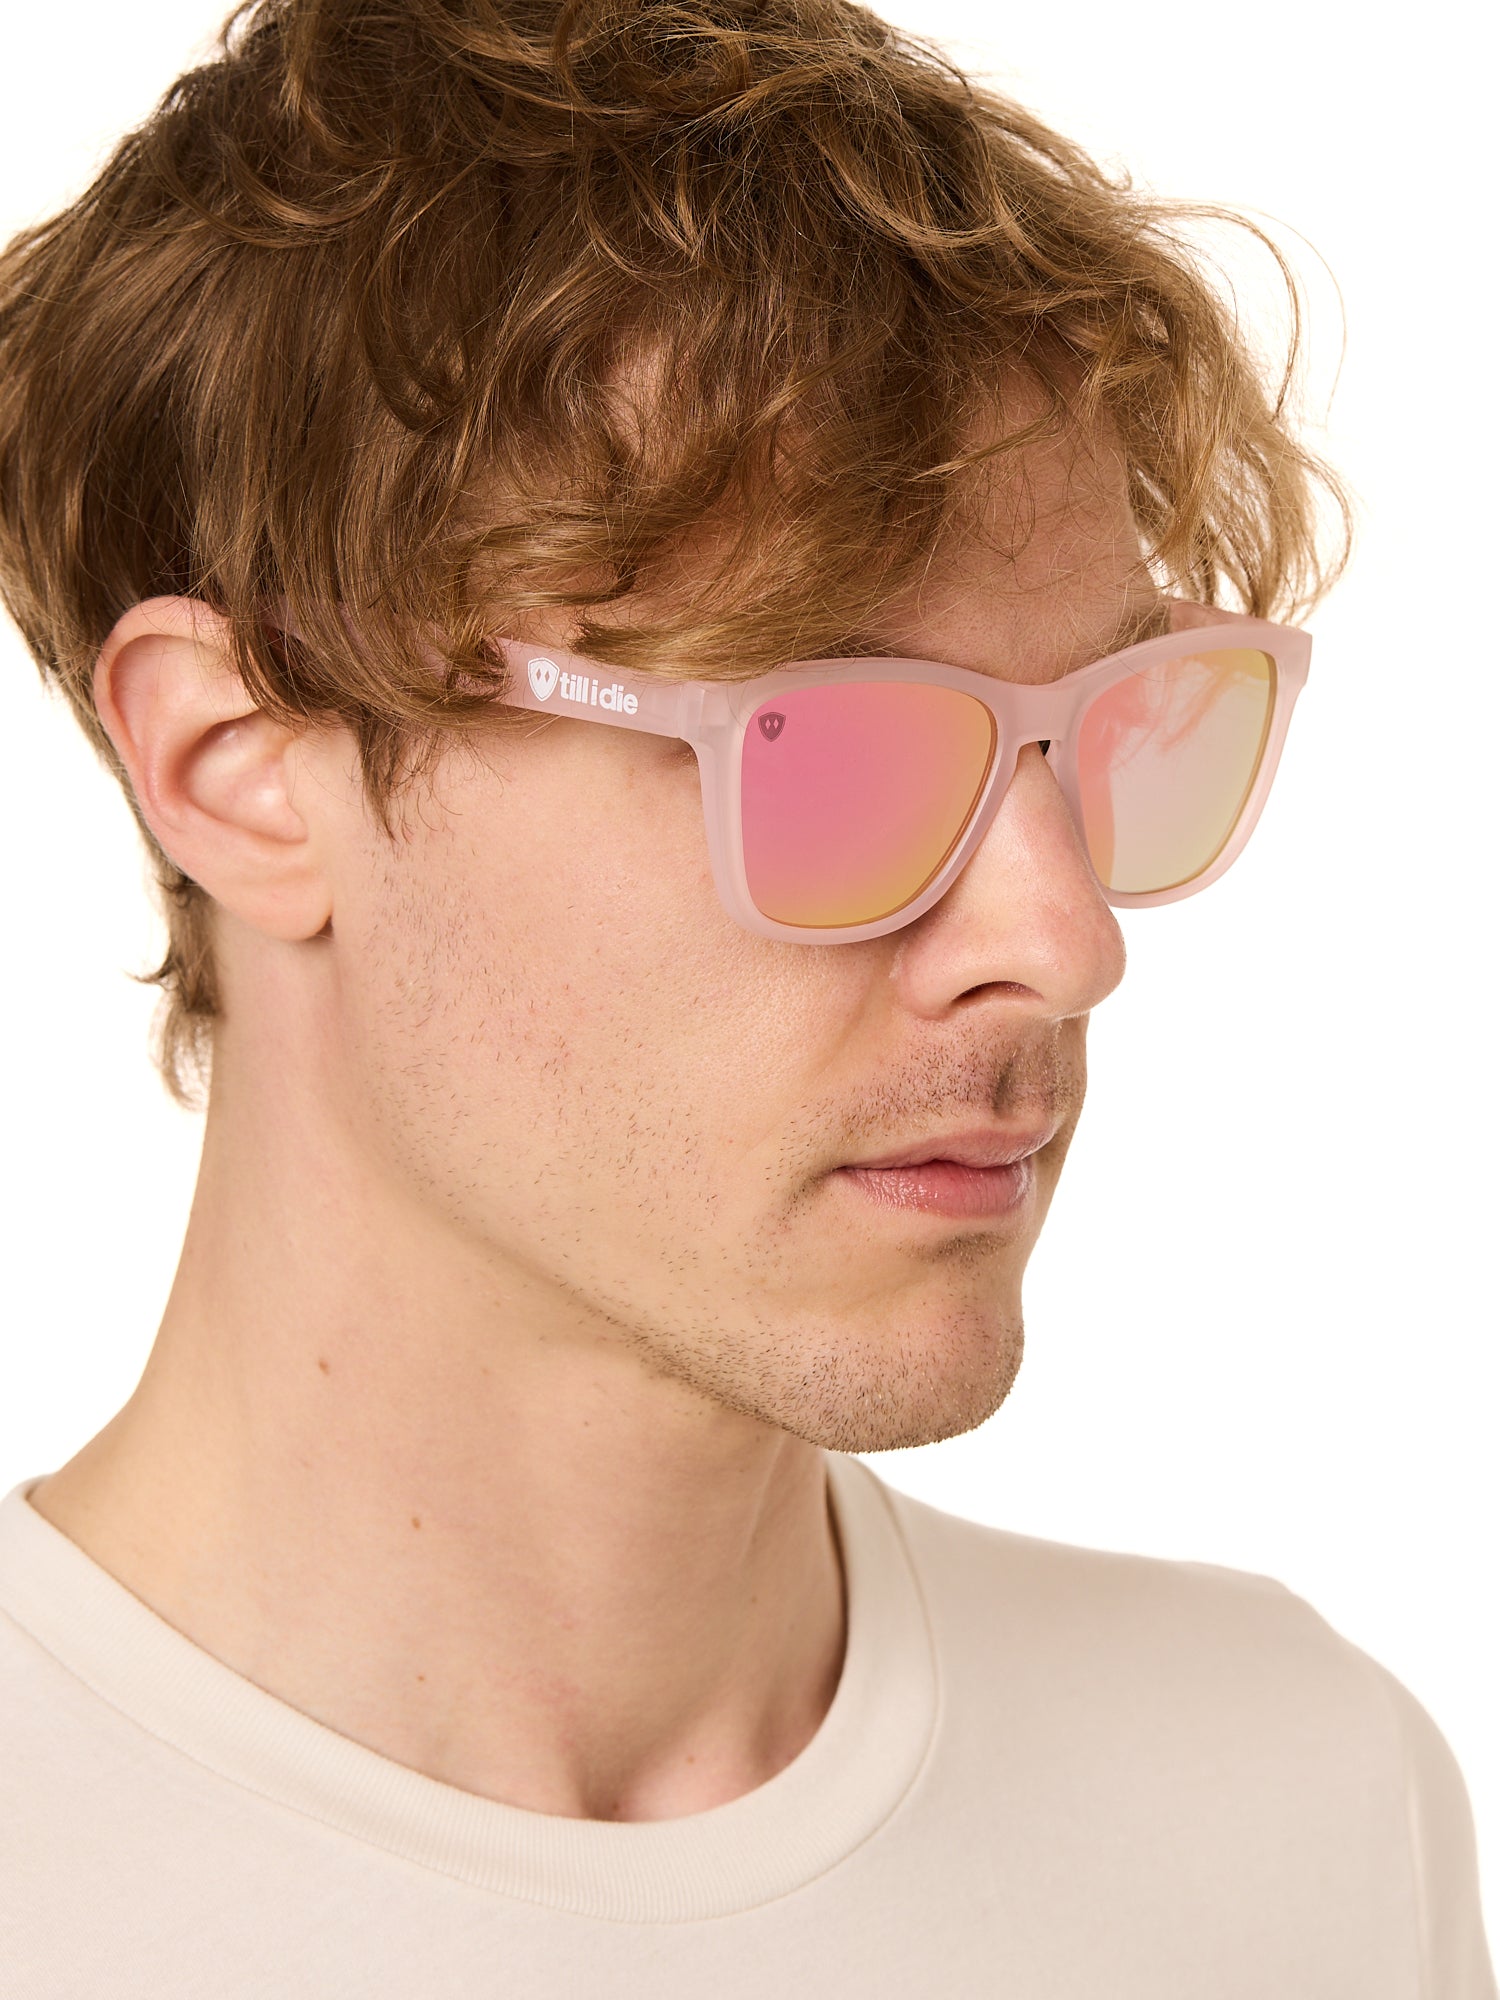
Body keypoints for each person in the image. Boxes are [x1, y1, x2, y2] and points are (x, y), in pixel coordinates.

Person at [0, 0, 1492, 1989]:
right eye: (838, 749)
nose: (1064, 939)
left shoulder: (1290, 1813)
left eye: (1112, 729)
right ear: (239, 767)